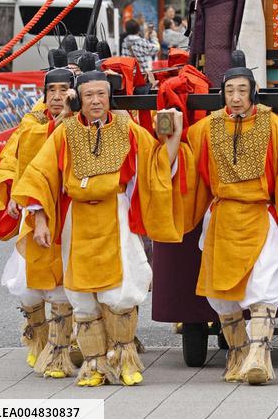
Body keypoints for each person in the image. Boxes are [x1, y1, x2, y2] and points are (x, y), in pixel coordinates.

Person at [13, 69, 186, 387]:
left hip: (115, 217)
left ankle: (124, 360)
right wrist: (39, 220)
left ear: (109, 98)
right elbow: (40, 175)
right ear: (79, 98)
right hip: (77, 222)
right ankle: (93, 364)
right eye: (89, 95)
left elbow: (155, 164)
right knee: (81, 295)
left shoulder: (128, 129)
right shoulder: (64, 133)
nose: (95, 101)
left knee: (120, 294)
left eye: (101, 94)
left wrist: (172, 135)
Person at [182, 52, 278, 385]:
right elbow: (183, 164)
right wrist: (168, 141)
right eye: (230, 91)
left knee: (264, 286)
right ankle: (237, 353)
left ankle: (259, 356)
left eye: (242, 90)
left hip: (261, 215)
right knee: (222, 293)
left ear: (252, 91)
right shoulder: (206, 128)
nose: (236, 97)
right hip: (222, 217)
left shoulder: (274, 125)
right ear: (223, 94)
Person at [0, 52, 76, 375]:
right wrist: (11, 192)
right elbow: (13, 158)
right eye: (52, 90)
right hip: (33, 209)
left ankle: (62, 349)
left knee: (65, 281)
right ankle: (38, 342)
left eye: (64, 89)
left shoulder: (78, 126)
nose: (57, 96)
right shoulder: (30, 124)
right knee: (28, 285)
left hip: (68, 211)